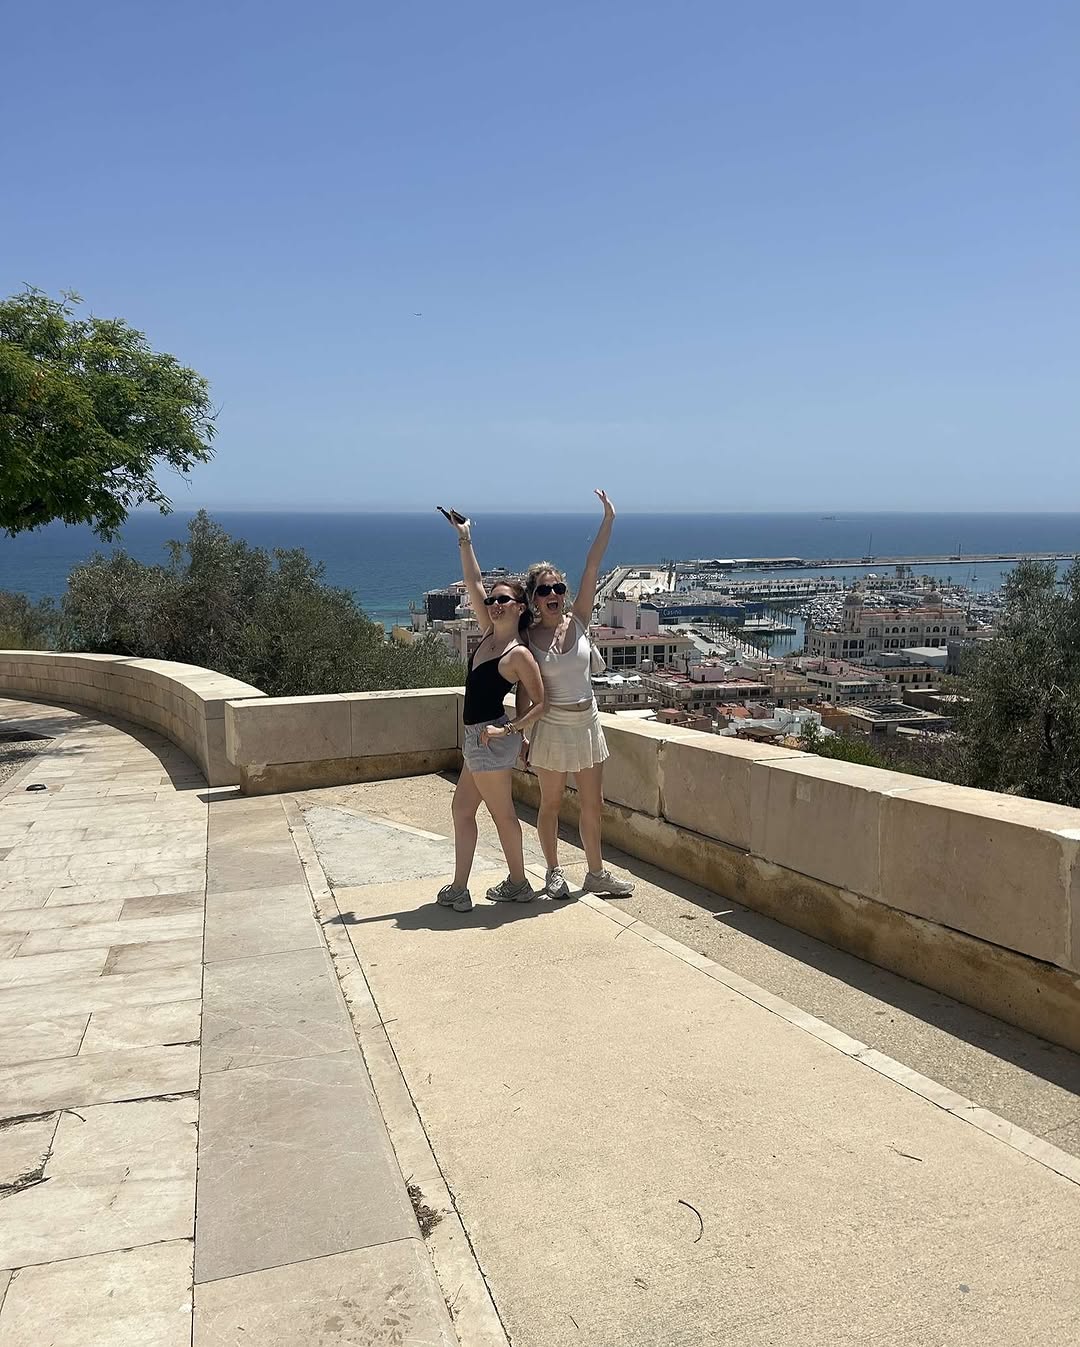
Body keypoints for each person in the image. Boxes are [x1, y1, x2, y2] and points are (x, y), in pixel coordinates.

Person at [517, 489, 635, 900]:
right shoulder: (528, 639)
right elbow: (524, 690)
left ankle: (595, 873)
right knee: (550, 804)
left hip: (588, 723)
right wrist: (522, 735)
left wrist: (609, 519)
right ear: (533, 599)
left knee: (592, 804)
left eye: (558, 588)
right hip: (552, 726)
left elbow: (593, 565)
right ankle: (553, 872)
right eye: (544, 591)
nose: (553, 595)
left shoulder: (579, 620)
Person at [436, 509, 547, 912]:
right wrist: (465, 537)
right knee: (462, 810)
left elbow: (542, 702)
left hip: (489, 738)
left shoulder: (518, 654)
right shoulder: (487, 633)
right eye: (492, 600)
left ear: (519, 607)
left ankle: (518, 883)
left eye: (503, 600)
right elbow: (473, 581)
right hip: (476, 738)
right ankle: (462, 887)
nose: (494, 604)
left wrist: (511, 731)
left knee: (501, 815)